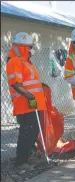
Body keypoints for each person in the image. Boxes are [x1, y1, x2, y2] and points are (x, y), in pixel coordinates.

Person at [6, 32, 47, 169]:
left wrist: (41, 86)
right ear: (23, 47)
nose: (31, 50)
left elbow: (30, 82)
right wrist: (30, 97)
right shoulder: (14, 61)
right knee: (27, 132)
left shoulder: (26, 62)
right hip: (25, 103)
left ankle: (29, 156)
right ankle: (21, 162)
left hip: (32, 103)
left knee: (33, 131)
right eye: (29, 47)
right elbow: (16, 84)